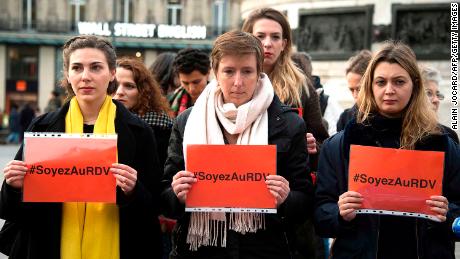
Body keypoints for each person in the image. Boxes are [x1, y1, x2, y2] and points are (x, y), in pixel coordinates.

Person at [0, 35, 162, 258]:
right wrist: (14, 186)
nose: (86, 76)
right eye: (77, 68)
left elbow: (153, 206)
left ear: (112, 73)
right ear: (68, 74)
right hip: (48, 246)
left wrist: (133, 191)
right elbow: (12, 211)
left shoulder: (139, 131)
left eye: (96, 67)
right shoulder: (43, 127)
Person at [161, 31, 313, 258]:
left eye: (247, 71)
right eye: (229, 71)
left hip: (264, 249)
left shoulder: (290, 124)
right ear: (215, 72)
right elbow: (164, 195)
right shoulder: (188, 121)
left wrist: (286, 198)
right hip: (200, 250)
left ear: (260, 72)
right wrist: (177, 194)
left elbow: (305, 201)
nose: (238, 82)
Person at [314, 41, 460, 258]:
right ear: (370, 87)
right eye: (381, 82)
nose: (389, 90)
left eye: (399, 82)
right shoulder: (340, 145)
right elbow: (320, 215)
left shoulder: (442, 143)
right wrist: (339, 212)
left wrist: (450, 215)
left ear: (415, 85)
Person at [242, 8, 329, 158]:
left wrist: (313, 147)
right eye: (260, 36)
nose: (267, 43)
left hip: (287, 175)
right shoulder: (233, 83)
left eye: (275, 37)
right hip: (241, 172)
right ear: (247, 40)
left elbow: (322, 143)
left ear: (284, 44)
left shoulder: (302, 87)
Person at [113, 56, 173, 168]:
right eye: (114, 85)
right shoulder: (94, 119)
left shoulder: (159, 127)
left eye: (129, 86)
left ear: (143, 91)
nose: (119, 92)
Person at [420, 65, 459, 143]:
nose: (436, 100)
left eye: (437, 94)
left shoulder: (449, 136)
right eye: (428, 93)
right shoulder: (394, 132)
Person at [336, 50, 372, 132]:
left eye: (359, 89)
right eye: (351, 90)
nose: (355, 95)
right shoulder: (345, 118)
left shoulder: (388, 116)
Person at [168, 48, 210, 117]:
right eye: (185, 83)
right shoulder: (169, 101)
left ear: (208, 73)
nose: (191, 89)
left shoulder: (223, 100)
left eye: (196, 82)